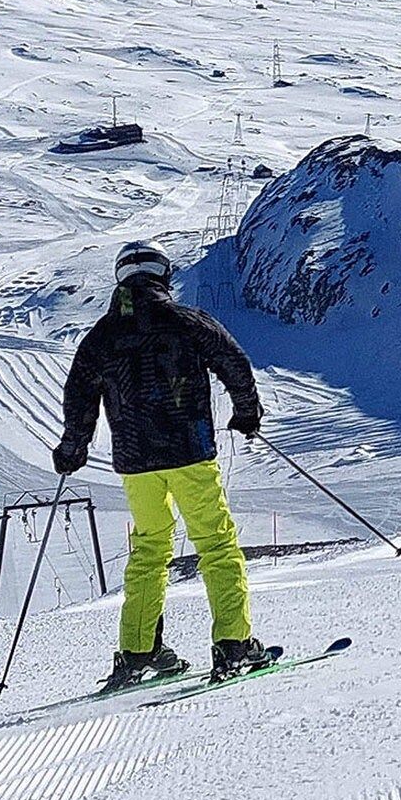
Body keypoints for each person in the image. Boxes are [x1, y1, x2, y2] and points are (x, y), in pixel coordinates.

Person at [53, 240, 268, 690]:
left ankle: (139, 652)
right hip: (189, 451)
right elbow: (233, 361)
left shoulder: (101, 337)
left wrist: (73, 446)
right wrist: (246, 412)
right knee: (216, 543)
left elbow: (79, 394)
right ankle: (233, 643)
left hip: (136, 462)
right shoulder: (186, 321)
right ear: (164, 276)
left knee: (150, 549)